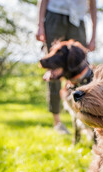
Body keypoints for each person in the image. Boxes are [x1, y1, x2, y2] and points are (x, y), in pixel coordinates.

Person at [36, 0, 97, 134]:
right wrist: (40, 24)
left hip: (78, 20)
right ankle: (57, 122)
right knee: (53, 69)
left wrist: (93, 36)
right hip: (54, 16)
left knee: (83, 70)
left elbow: (92, 5)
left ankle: (89, 122)